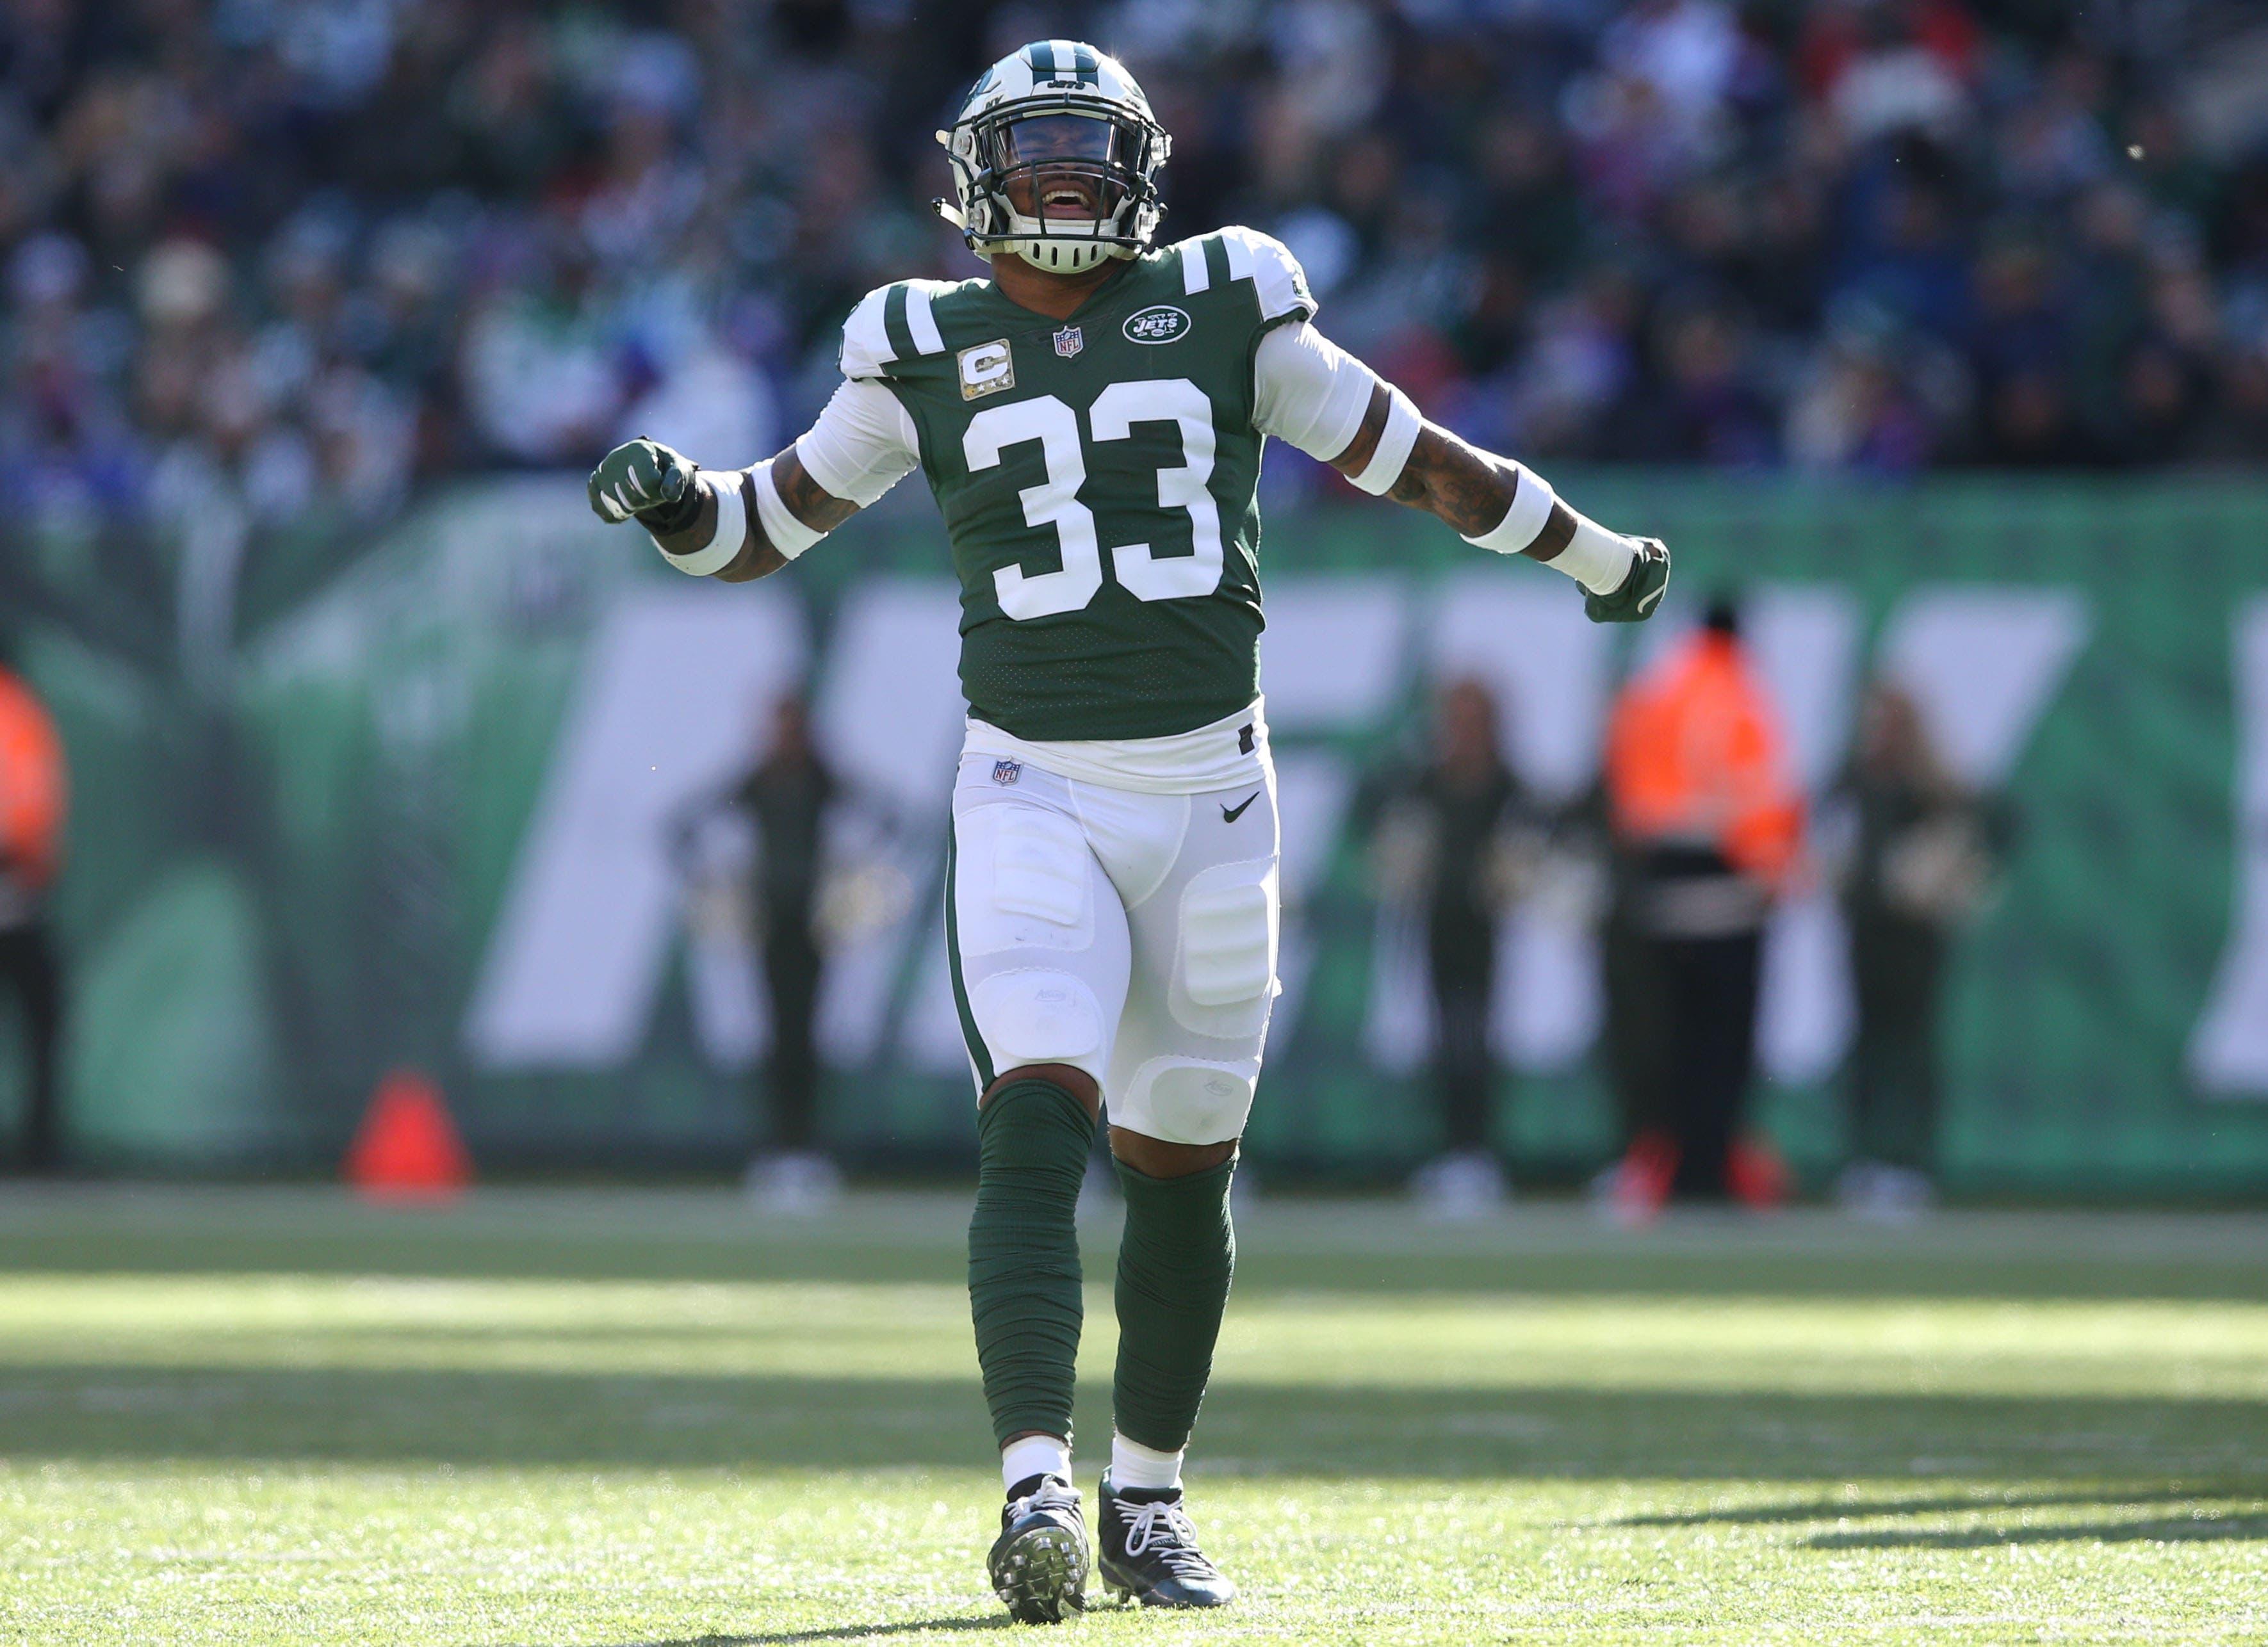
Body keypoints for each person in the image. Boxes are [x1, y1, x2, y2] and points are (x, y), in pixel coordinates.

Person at [585, 40, 1670, 1622]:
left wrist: (1580, 551)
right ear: (976, 177)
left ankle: (1144, 1501)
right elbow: (760, 527)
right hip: (1033, 789)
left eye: (1086, 153)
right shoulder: (912, 341)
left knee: (1180, 1167)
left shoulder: (1231, 298)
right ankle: (1031, 1479)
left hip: (1217, 800)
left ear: (1140, 168)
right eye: (1031, 155)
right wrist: (679, 503)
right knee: (1034, 1109)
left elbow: (1413, 456)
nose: (1060, 182)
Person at [1601, 597, 1799, 1213]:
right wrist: (1771, 871)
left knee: (1664, 1043)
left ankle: (1662, 1163)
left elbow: (1626, 799)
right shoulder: (1740, 693)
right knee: (1724, 1046)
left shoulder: (1654, 693)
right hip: (1729, 894)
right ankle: (1712, 1167)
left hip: (1661, 893)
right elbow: (1762, 796)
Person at [1832, 680, 2009, 1219]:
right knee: (1866, 1045)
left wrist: (1945, 875)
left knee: (1912, 1047)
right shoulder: (1857, 777)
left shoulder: (1931, 784)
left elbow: (1998, 826)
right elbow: (1820, 826)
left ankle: (1911, 1162)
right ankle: (1864, 1159)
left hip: (1916, 935)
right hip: (1866, 930)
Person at [1364, 678, 1531, 1215]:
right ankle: (1451, 1150)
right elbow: (1390, 836)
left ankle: (1478, 1151)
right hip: (1437, 923)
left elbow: (1531, 844)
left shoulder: (1506, 784)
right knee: (1442, 1035)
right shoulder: (1424, 781)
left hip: (1484, 927)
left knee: (1478, 1036)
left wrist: (1513, 874)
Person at [682, 693, 850, 1210]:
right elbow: (683, 826)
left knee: (806, 1037)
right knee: (779, 1036)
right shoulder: (758, 778)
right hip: (771, 924)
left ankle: (805, 1150)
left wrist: (858, 881)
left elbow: (889, 817)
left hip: (814, 925)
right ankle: (779, 1150)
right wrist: (715, 884)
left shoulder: (821, 776)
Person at [0, 638, 66, 1174]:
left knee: (42, 1023)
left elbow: (30, 814)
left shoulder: (15, 711)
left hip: (14, 897)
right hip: (16, 894)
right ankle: (39, 1151)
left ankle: (39, 1150)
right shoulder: (20, 711)